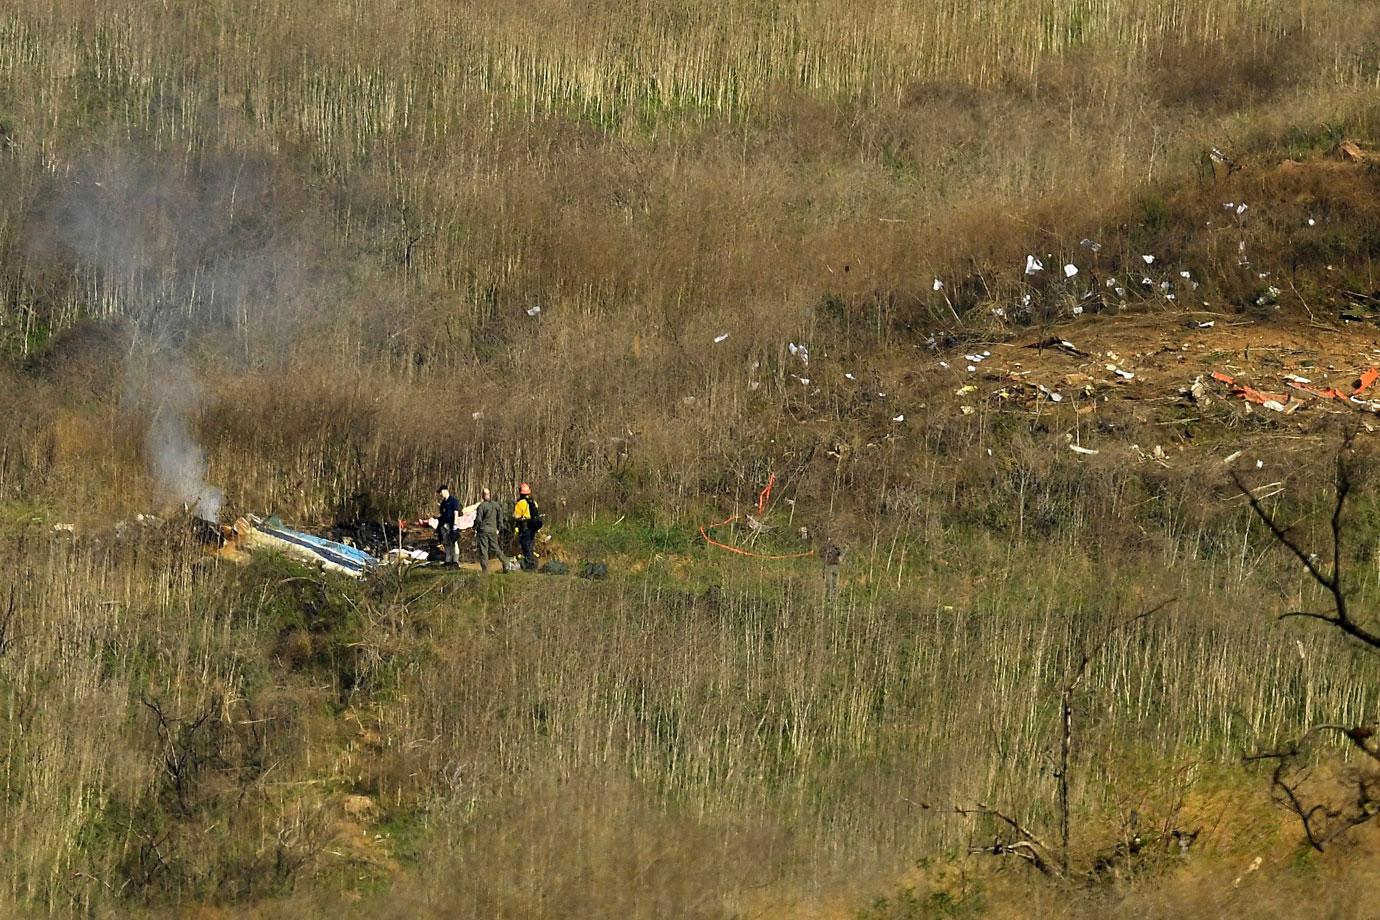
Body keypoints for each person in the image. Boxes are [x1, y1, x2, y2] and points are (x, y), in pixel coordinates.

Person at [473, 487, 511, 574]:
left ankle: (485, 571)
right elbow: (500, 518)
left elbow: (478, 519)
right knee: (495, 548)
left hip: (483, 531)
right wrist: (499, 527)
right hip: (493, 530)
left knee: (484, 550)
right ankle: (505, 563)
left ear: (482, 496)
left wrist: (474, 527)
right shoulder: (496, 505)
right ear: (489, 494)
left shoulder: (481, 506)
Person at [512, 482, 543, 570]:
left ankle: (530, 566)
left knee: (526, 547)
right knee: (531, 546)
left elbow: (516, 516)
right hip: (533, 528)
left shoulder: (520, 503)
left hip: (525, 528)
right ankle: (533, 564)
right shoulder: (534, 502)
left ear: (520, 493)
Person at [436, 484, 461, 567]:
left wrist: (455, 525)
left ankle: (455, 561)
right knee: (446, 543)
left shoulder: (453, 501)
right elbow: (441, 514)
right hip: (444, 525)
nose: (440, 494)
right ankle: (448, 561)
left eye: (441, 492)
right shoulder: (443, 503)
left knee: (454, 543)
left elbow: (456, 513)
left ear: (445, 491)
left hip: (451, 525)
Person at [820, 537, 843, 602]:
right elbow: (840, 554)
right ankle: (832, 598)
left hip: (830, 566)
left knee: (829, 583)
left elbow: (822, 556)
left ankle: (829, 598)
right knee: (832, 583)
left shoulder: (825, 548)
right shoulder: (835, 547)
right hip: (834, 566)